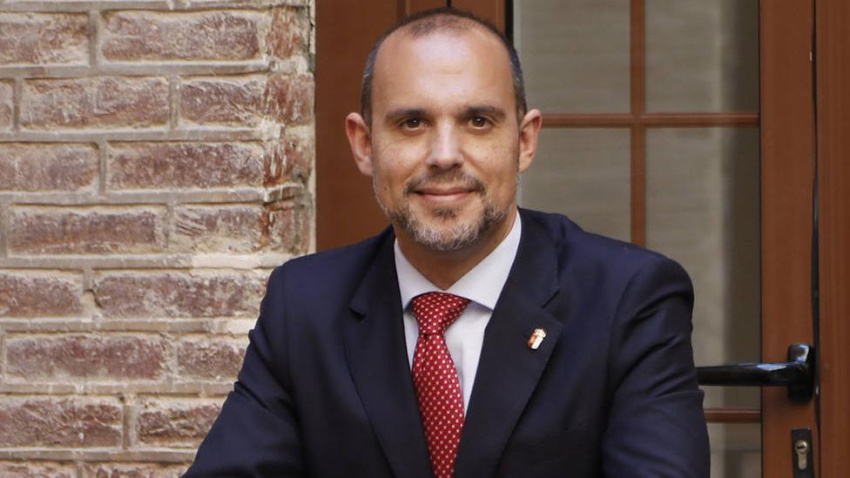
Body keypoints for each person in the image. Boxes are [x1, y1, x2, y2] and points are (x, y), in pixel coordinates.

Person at [185, 7, 710, 478]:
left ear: (524, 141)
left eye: (478, 121)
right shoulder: (304, 305)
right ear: (364, 144)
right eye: (412, 123)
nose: (443, 155)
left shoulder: (627, 299)